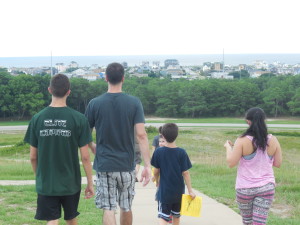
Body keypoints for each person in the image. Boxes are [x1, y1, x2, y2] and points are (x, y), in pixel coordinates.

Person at [85, 62, 151, 225]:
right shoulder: (134, 103)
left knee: (108, 208)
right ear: (123, 78)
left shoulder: (94, 103)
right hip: (127, 165)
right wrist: (147, 166)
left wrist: (93, 148)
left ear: (106, 78)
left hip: (105, 164)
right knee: (126, 206)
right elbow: (141, 135)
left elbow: (84, 132)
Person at [24, 74, 94, 225]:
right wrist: (90, 182)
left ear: (49, 90)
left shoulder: (37, 118)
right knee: (71, 218)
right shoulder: (79, 119)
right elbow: (86, 157)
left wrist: (39, 176)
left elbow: (33, 157)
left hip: (47, 183)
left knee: (52, 219)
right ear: (69, 92)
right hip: (71, 183)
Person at [224, 107, 282, 225]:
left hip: (245, 188)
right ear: (264, 120)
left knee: (247, 221)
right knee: (260, 222)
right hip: (266, 187)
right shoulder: (273, 140)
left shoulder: (242, 140)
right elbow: (278, 163)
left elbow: (231, 163)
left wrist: (228, 148)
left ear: (248, 121)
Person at [151, 123, 195, 225]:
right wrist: (190, 190)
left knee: (163, 217)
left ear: (163, 136)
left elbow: (156, 171)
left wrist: (157, 181)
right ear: (177, 135)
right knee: (176, 217)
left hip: (164, 192)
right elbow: (186, 173)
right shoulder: (182, 152)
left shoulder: (158, 152)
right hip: (178, 192)